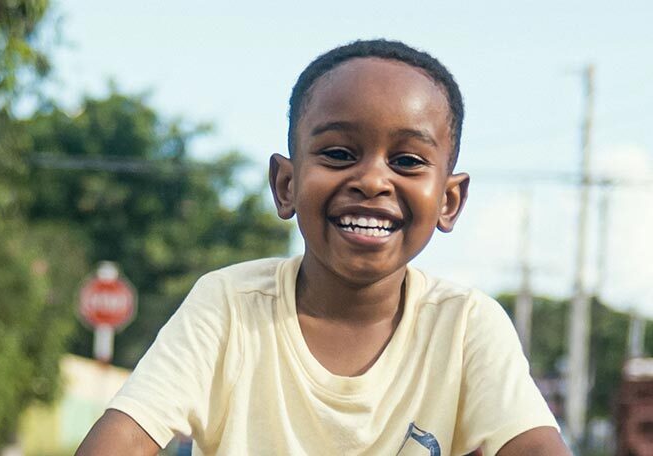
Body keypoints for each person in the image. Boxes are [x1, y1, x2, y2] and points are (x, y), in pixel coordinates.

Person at [76, 39, 571, 455]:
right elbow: (120, 441)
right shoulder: (229, 306)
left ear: (449, 200)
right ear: (286, 184)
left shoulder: (465, 326)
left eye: (407, 160)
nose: (373, 180)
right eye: (339, 153)